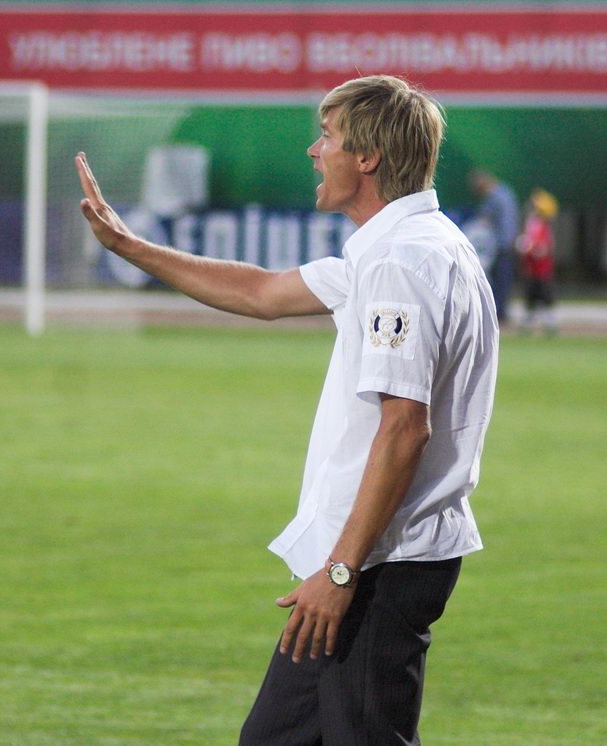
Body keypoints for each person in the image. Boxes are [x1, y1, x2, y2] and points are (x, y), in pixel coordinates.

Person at [76, 74, 498, 745]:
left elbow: (403, 429)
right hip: (370, 560)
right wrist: (132, 247)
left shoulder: (400, 262)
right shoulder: (413, 247)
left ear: (367, 157)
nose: (313, 150)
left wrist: (340, 571)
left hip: (377, 565)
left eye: (327, 137)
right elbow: (262, 292)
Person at [469, 169, 520, 323]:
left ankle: (498, 313)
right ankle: (501, 311)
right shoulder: (506, 192)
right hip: (509, 241)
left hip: (499, 244)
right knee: (504, 280)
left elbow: (483, 217)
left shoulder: (493, 197)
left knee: (497, 280)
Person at [517, 188, 560, 335]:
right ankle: (529, 324)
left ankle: (550, 324)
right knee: (530, 298)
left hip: (541, 269)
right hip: (531, 269)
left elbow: (543, 249)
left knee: (546, 297)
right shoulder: (532, 224)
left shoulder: (542, 226)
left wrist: (529, 248)